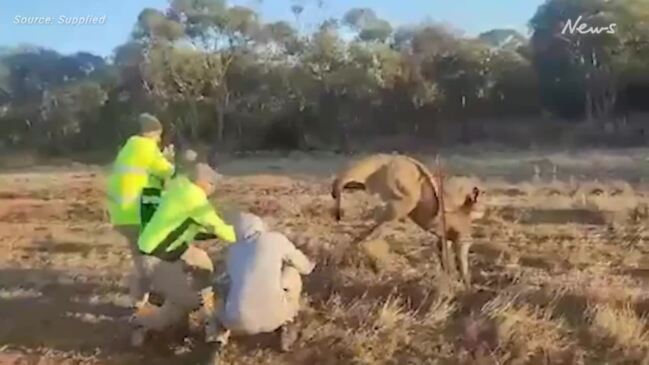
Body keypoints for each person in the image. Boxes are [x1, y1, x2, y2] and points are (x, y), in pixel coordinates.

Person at [130, 161, 237, 347]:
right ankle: (143, 322)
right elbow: (215, 224)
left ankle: (196, 307)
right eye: (212, 183)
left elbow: (190, 228)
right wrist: (241, 236)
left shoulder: (180, 190)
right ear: (201, 182)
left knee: (201, 260)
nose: (214, 187)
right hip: (158, 258)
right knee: (188, 302)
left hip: (165, 251)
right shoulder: (193, 197)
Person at [210, 212, 315, 359]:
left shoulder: (232, 250)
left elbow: (222, 281)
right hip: (275, 316)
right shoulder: (275, 239)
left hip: (235, 321)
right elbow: (302, 265)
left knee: (220, 290)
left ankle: (216, 341)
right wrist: (310, 265)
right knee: (292, 270)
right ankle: (288, 322)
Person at [106, 113, 175, 308]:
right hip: (135, 213)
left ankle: (145, 297)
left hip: (122, 214)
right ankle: (143, 301)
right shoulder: (146, 147)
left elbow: (148, 177)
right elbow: (168, 172)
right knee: (150, 259)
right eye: (158, 136)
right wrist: (170, 159)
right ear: (153, 133)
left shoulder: (129, 148)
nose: (159, 140)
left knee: (142, 257)